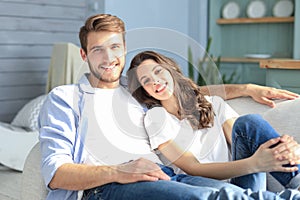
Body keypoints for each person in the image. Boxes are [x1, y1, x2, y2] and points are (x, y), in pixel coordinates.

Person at [39, 14, 300, 200]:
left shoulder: (134, 93)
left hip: (167, 176)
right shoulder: (65, 98)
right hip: (109, 186)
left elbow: (181, 92)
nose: (108, 58)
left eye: (114, 47)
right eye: (97, 50)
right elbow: (55, 173)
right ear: (84, 55)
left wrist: (245, 89)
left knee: (233, 191)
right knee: (216, 197)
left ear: (124, 49)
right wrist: (121, 171)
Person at [126, 50, 300, 192]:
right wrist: (254, 164)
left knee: (249, 122)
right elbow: (193, 168)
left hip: (244, 180)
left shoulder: (212, 103)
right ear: (146, 91)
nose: (155, 81)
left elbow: (245, 140)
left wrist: (284, 147)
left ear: (171, 71)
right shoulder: (156, 119)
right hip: (210, 190)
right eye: (146, 81)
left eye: (158, 71)